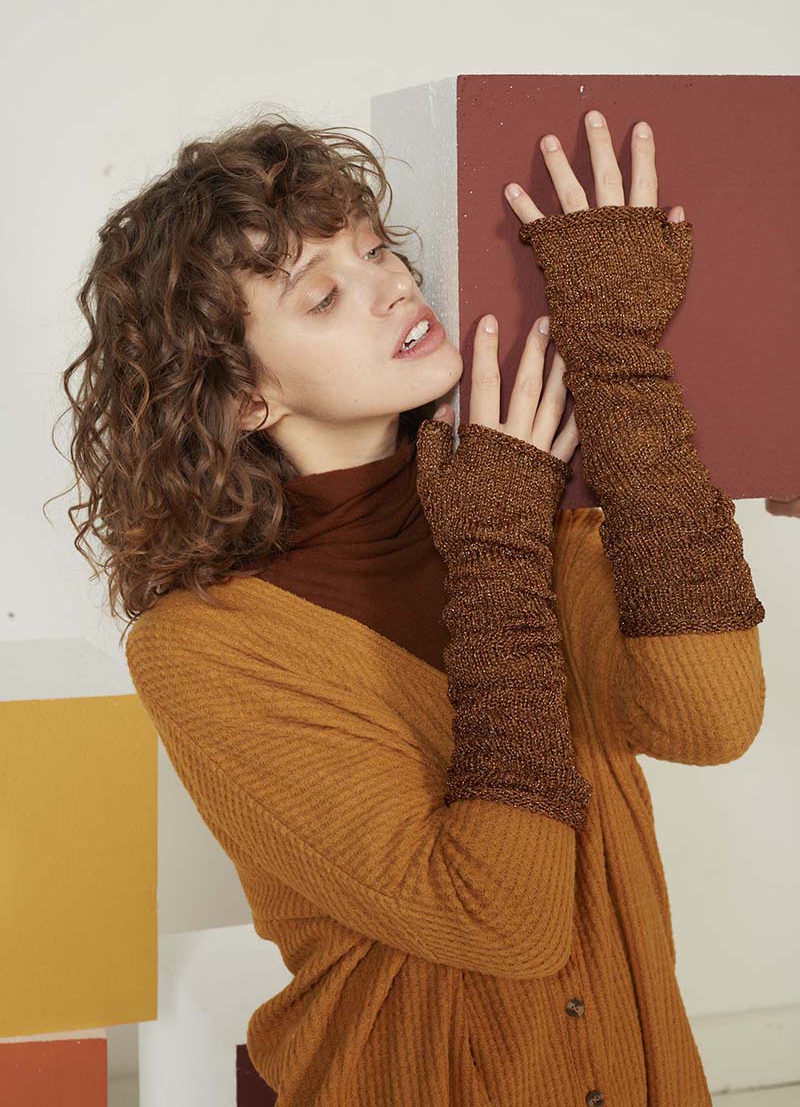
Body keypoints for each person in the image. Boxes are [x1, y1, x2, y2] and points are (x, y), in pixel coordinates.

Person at [53, 109, 766, 1106]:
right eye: (323, 294)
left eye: (376, 247)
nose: (391, 284)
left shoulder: (522, 506)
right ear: (245, 399)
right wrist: (495, 548)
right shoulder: (201, 649)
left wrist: (617, 356)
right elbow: (503, 920)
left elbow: (709, 721)